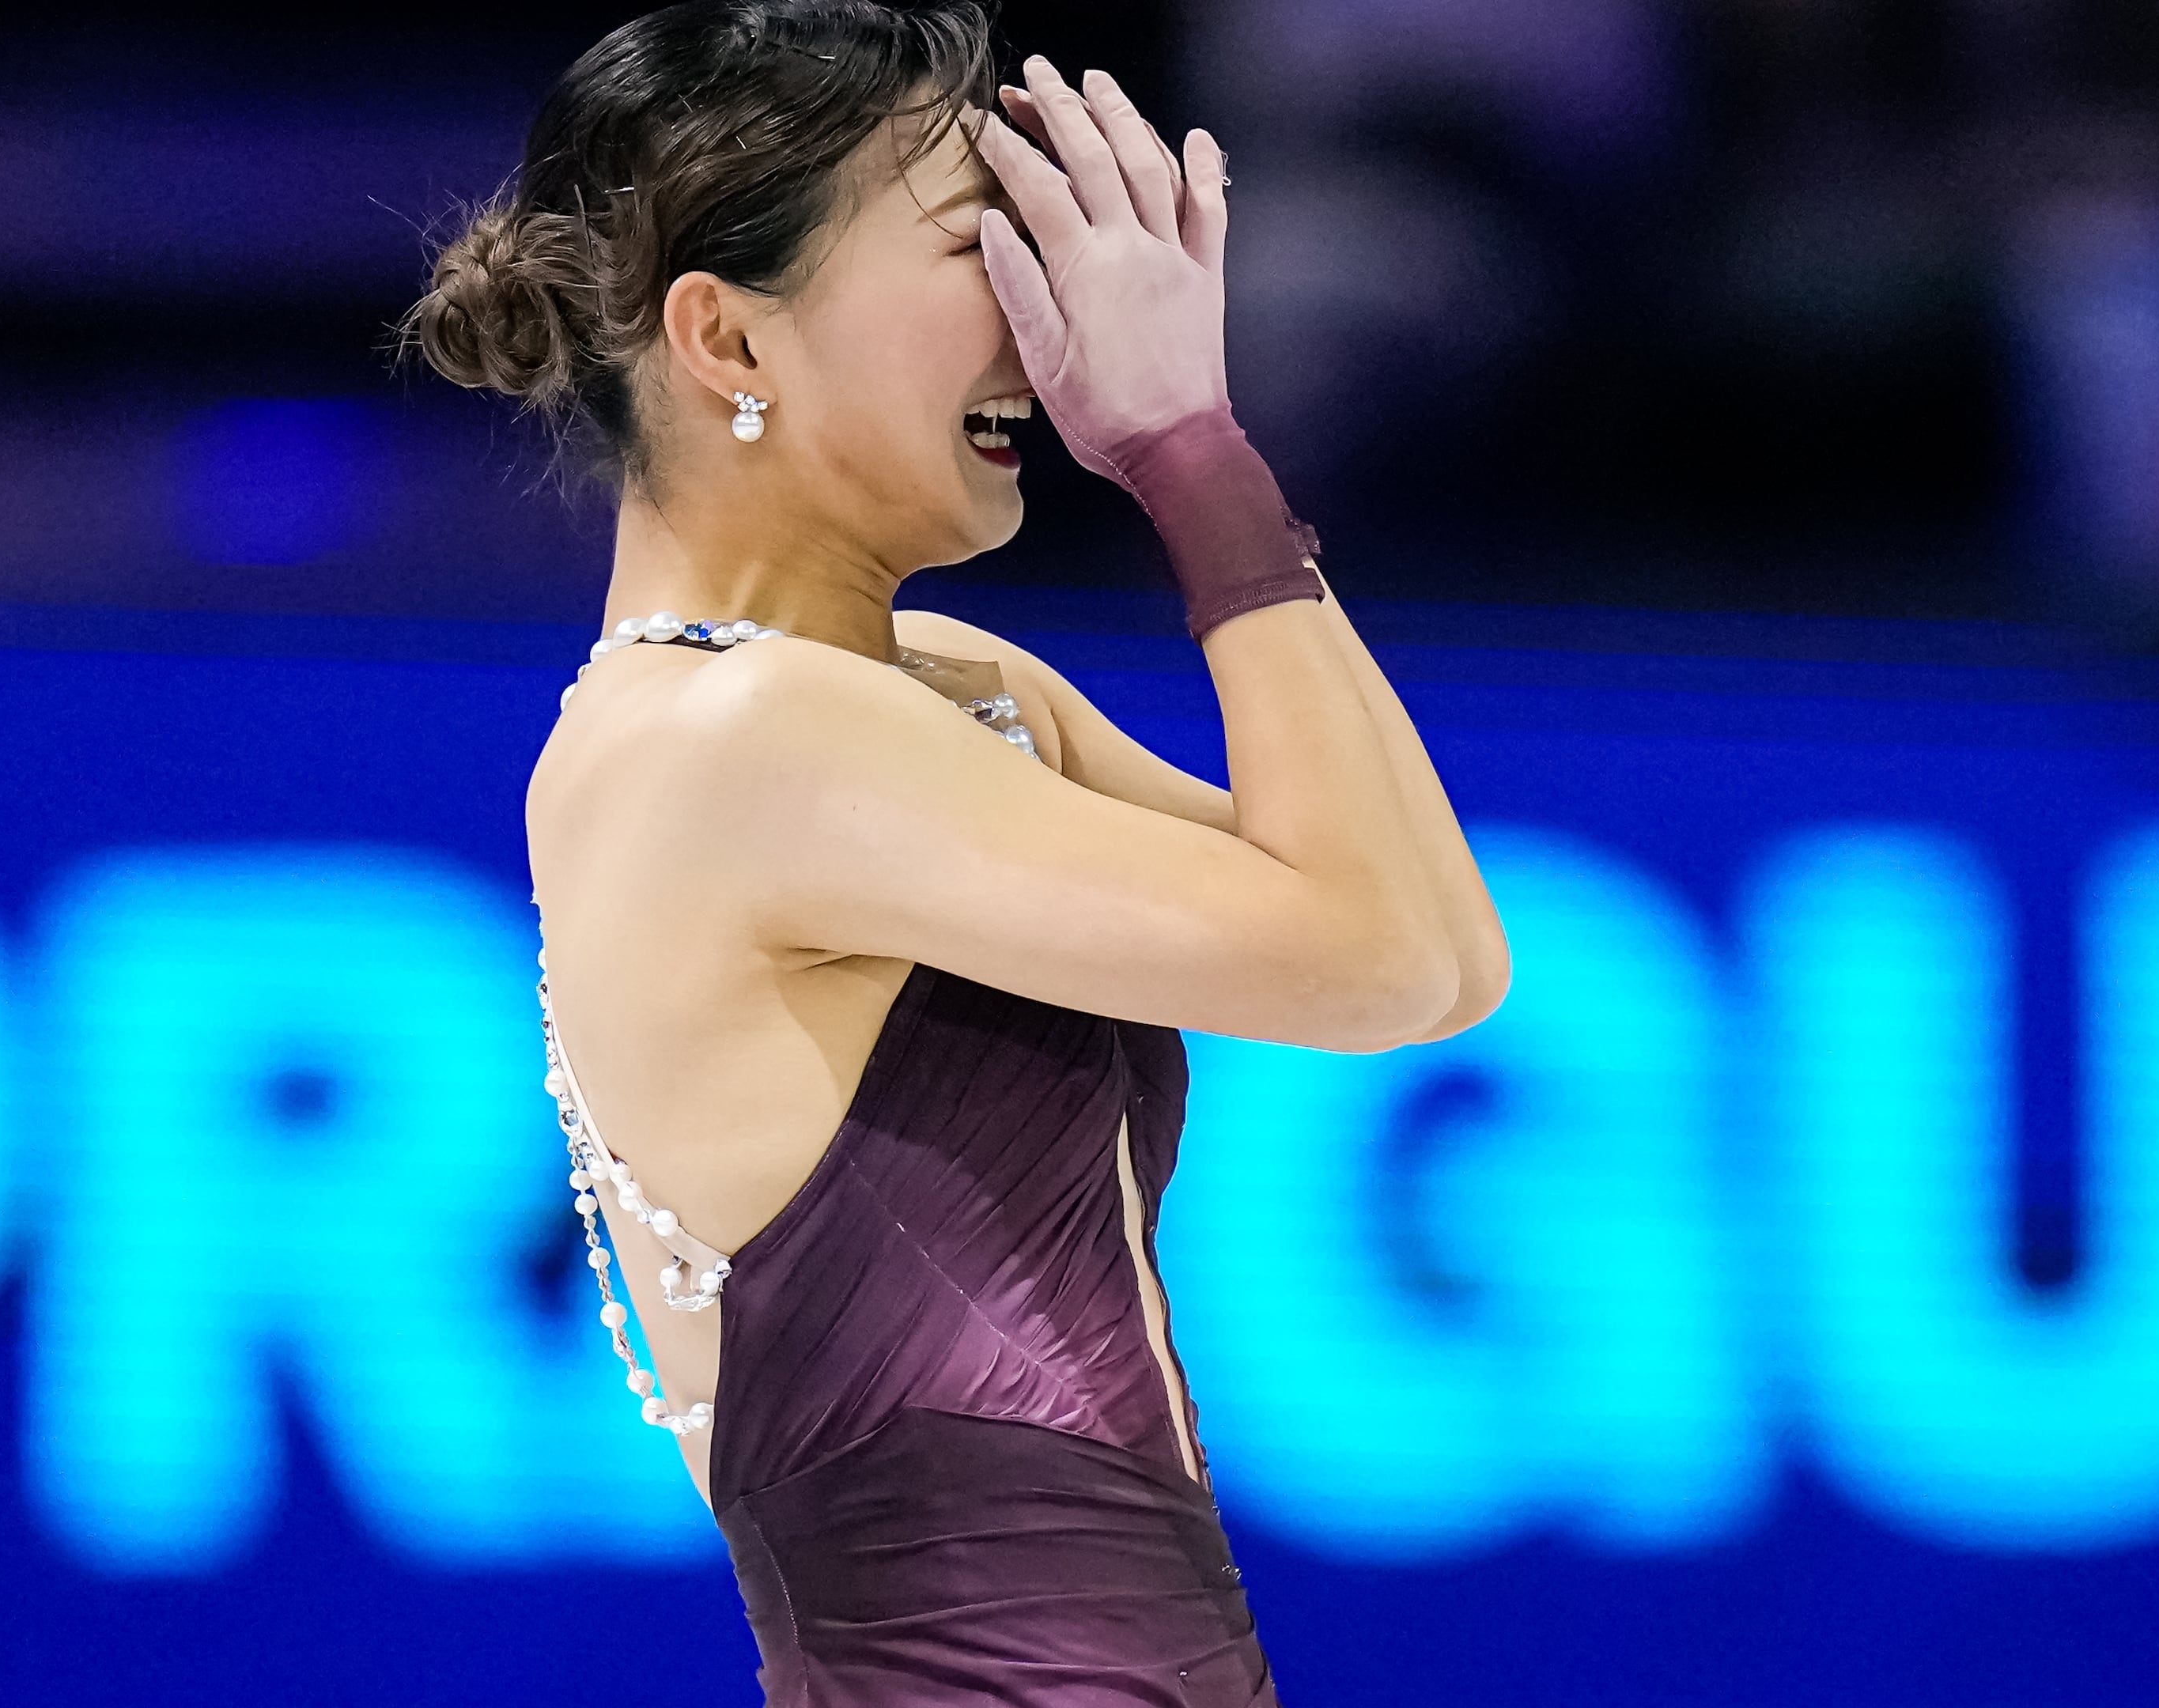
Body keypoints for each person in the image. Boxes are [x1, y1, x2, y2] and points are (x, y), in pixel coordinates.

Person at [407, 2, 1507, 1700]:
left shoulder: (953, 694)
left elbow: (1442, 961)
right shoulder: (741, 740)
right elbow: (1377, 957)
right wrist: (1188, 452)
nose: (1041, 301)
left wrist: (1200, 457)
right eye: (972, 239)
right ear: (728, 337)